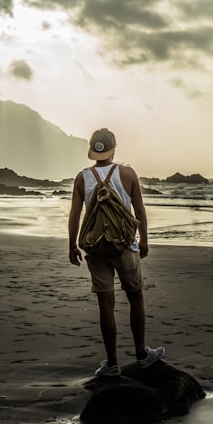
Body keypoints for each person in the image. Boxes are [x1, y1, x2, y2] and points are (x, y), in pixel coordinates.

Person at [68, 128, 164, 375]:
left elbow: (76, 214)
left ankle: (111, 364)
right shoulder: (128, 173)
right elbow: (140, 211)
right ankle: (142, 354)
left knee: (105, 305)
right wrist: (144, 240)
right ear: (114, 148)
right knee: (135, 298)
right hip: (125, 246)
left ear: (93, 150)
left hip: (96, 248)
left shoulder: (82, 178)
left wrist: (72, 245)